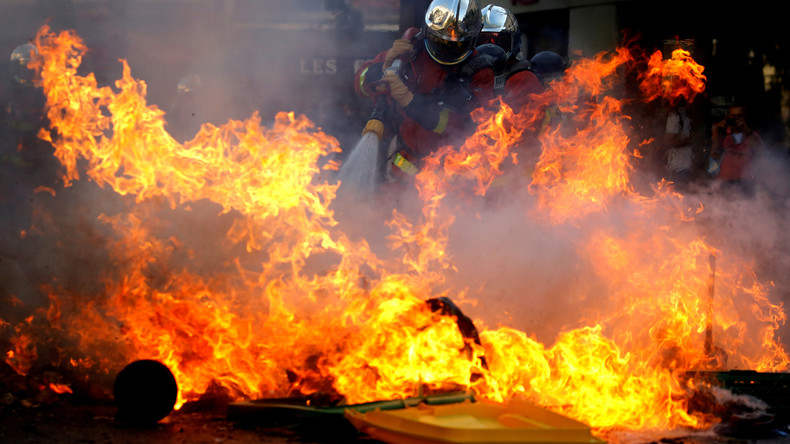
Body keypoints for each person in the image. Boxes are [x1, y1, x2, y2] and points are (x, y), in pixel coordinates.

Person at [354, 0, 496, 182]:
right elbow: (359, 84)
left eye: (456, 44)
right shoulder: (412, 51)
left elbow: (461, 126)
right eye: (440, 40)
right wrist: (381, 70)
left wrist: (410, 102)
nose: (447, 47)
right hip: (403, 167)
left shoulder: (479, 72)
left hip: (452, 175)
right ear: (427, 30)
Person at [477, 4, 542, 111]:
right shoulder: (469, 73)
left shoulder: (523, 78)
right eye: (482, 40)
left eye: (497, 39)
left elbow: (508, 121)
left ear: (514, 43)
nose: (489, 47)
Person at [709, 104, 765, 196]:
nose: (736, 119)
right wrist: (718, 133)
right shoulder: (722, 133)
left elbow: (762, 152)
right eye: (733, 116)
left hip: (746, 181)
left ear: (745, 117)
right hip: (725, 180)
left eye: (739, 116)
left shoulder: (751, 135)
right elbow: (714, 155)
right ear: (728, 117)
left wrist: (748, 131)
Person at [663, 96, 694, 187]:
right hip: (679, 166)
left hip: (682, 165)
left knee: (680, 194)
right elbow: (669, 141)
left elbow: (669, 141)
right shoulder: (677, 117)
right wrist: (690, 140)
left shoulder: (679, 117)